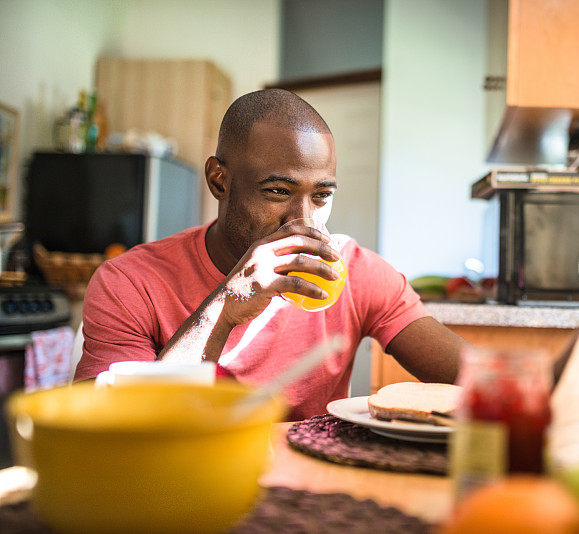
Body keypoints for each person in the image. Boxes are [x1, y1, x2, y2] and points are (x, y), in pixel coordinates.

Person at [75, 89, 468, 419]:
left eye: (321, 196)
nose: (305, 221)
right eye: (278, 191)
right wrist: (226, 306)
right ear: (219, 180)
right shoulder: (129, 282)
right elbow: (114, 429)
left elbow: (474, 379)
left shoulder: (355, 272)